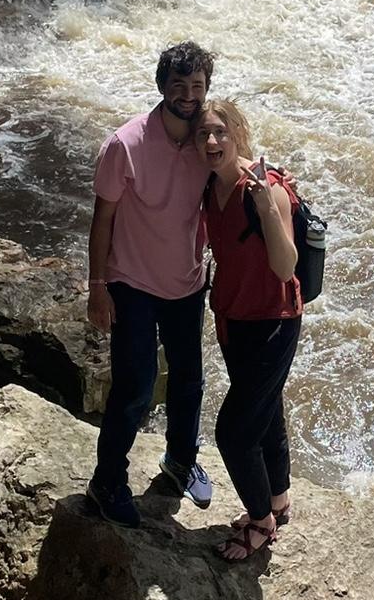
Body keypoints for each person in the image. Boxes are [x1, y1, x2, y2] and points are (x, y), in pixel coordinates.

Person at [85, 41, 217, 528]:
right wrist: (97, 287)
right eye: (179, 85)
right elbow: (103, 220)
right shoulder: (127, 143)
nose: (188, 94)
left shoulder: (210, 141)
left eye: (197, 86)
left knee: (188, 381)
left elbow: (229, 195)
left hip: (187, 282)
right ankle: (107, 481)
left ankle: (180, 461)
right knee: (136, 386)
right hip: (132, 282)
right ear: (162, 87)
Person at [196, 99, 302, 562]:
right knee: (267, 414)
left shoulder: (265, 190)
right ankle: (278, 500)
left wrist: (266, 207)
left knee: (234, 434)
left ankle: (260, 521)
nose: (212, 141)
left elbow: (285, 268)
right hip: (234, 320)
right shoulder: (208, 186)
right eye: (203, 134)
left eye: (220, 132)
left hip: (273, 324)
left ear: (238, 133)